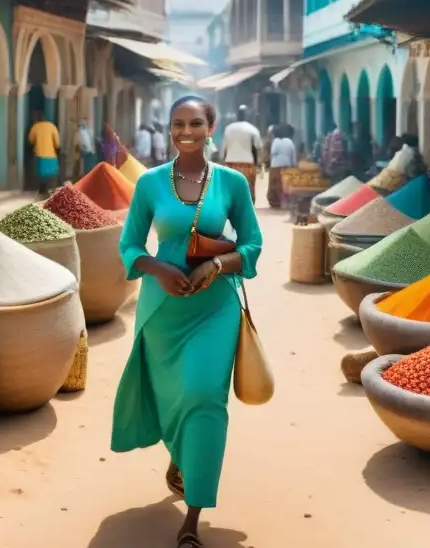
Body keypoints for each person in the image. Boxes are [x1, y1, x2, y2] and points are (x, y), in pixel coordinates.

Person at [112, 95, 263, 548]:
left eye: (196, 122)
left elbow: (253, 244)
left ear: (211, 127)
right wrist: (158, 269)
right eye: (178, 123)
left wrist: (216, 266)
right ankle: (181, 454)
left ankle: (192, 518)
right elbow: (129, 246)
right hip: (163, 311)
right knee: (172, 396)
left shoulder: (232, 183)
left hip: (215, 307)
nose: (187, 130)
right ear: (169, 129)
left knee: (203, 396)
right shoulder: (151, 184)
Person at [221, 105, 262, 204]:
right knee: (248, 188)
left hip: (230, 164)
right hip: (247, 164)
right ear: (247, 115)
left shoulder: (228, 129)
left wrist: (223, 162)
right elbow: (256, 148)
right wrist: (258, 163)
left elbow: (224, 148)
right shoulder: (252, 129)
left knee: (231, 188)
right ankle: (249, 208)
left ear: (236, 116)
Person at [27, 110, 60, 196]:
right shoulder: (52, 126)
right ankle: (51, 189)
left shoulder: (35, 127)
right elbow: (57, 143)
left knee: (40, 174)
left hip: (39, 155)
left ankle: (42, 189)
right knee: (52, 174)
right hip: (52, 156)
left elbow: (30, 141)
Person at [268, 124, 297, 209]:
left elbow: (273, 153)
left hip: (275, 165)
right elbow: (293, 155)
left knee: (274, 183)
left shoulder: (276, 141)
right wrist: (293, 165)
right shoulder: (290, 142)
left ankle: (275, 201)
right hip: (287, 165)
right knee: (284, 184)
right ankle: (285, 201)